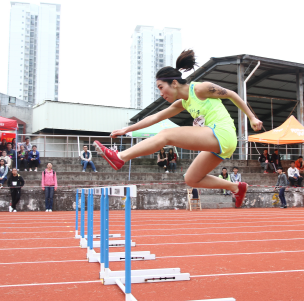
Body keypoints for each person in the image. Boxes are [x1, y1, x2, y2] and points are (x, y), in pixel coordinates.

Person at [93, 50, 261, 208]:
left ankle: (120, 157)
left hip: (222, 132)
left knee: (167, 134)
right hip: (217, 140)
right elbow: (155, 117)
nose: (160, 93)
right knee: (192, 179)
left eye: (160, 87)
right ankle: (237, 187)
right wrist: (126, 129)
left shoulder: (200, 89)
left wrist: (252, 117)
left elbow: (231, 93)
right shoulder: (183, 102)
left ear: (174, 83)